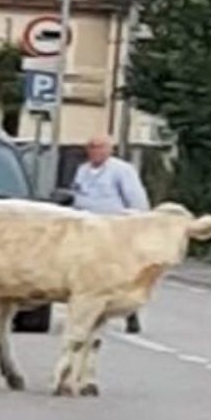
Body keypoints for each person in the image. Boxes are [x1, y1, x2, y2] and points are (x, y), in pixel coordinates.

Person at [71, 133, 151, 334]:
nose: (95, 151)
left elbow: (136, 200)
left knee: (119, 274)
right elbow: (77, 195)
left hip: (114, 229)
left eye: (99, 147)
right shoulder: (83, 171)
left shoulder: (121, 170)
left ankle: (131, 314)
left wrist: (139, 225)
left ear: (109, 149)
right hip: (87, 228)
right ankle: (87, 310)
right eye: (91, 147)